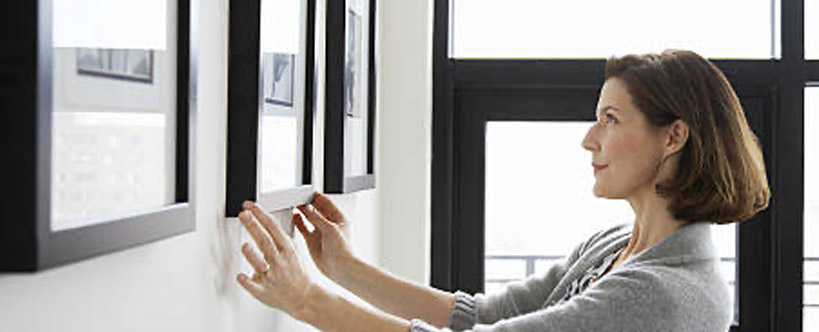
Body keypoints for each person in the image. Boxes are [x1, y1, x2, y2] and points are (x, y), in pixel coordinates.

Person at [234, 49, 770, 332]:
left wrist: (306, 300)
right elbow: (480, 316)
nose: (589, 141)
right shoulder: (614, 244)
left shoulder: (665, 295)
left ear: (674, 135)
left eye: (610, 119)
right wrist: (344, 268)